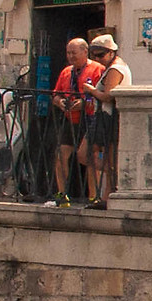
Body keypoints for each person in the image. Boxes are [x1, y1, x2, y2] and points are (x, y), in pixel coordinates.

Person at [50, 37, 100, 206]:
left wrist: (84, 103)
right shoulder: (66, 71)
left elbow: (101, 94)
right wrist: (60, 102)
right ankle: (62, 195)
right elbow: (55, 94)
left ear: (85, 52)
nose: (70, 56)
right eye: (68, 53)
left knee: (89, 157)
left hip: (89, 118)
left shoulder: (97, 69)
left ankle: (94, 196)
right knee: (60, 155)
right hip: (70, 119)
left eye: (74, 53)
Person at [84, 34, 130, 207]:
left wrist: (90, 90)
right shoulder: (114, 67)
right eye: (94, 55)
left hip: (108, 117)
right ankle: (108, 190)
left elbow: (108, 96)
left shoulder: (115, 70)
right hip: (104, 116)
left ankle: (108, 193)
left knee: (100, 156)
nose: (97, 59)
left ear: (111, 52)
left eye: (101, 55)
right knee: (89, 154)